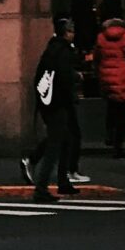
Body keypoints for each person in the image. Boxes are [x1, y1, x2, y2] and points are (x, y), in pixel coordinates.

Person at [29, 15, 84, 203]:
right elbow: (64, 77)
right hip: (58, 103)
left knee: (65, 140)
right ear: (66, 32)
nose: (73, 34)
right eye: (71, 31)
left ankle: (62, 181)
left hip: (49, 102)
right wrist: (76, 77)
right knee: (56, 144)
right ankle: (41, 188)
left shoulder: (52, 49)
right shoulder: (64, 51)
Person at [95, 5, 125, 157]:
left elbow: (97, 56)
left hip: (106, 76)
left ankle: (109, 135)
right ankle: (118, 146)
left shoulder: (101, 36)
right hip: (122, 75)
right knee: (123, 112)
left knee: (112, 109)